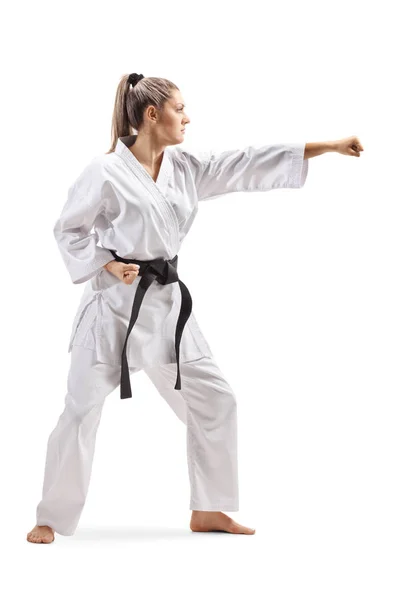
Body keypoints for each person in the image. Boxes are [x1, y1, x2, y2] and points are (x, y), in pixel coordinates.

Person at [27, 72, 364, 544]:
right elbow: (68, 230)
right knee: (79, 412)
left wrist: (323, 146)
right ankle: (50, 517)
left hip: (166, 309)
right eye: (179, 109)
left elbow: (245, 162)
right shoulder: (103, 172)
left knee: (216, 399)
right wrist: (107, 264)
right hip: (113, 314)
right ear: (151, 115)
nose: (187, 117)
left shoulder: (184, 167)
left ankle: (208, 509)